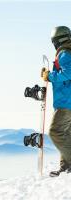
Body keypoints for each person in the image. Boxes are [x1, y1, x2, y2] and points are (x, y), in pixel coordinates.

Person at [42, 26, 71, 177]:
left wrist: (50, 76)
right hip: (67, 101)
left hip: (66, 103)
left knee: (56, 132)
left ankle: (69, 165)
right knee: (67, 134)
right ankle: (66, 168)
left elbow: (68, 73)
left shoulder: (65, 53)